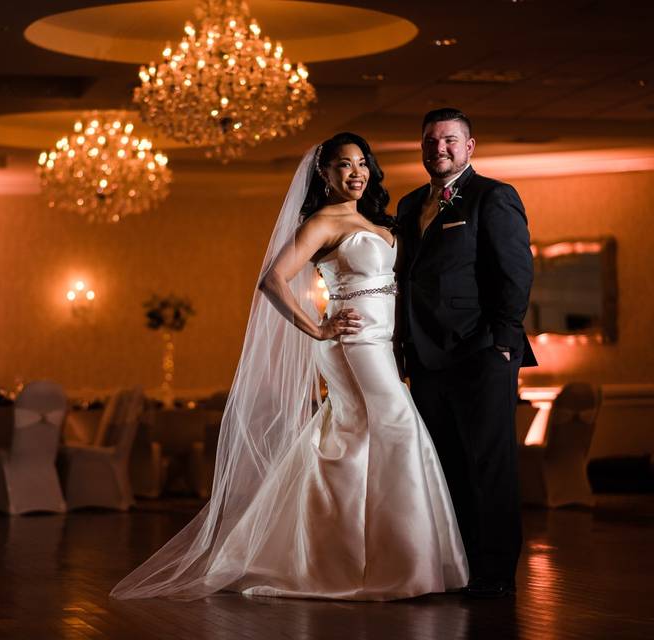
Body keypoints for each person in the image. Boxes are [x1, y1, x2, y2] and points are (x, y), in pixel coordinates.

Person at [111, 133, 468, 601]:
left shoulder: (372, 219)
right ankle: (398, 566)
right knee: (397, 429)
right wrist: (317, 329)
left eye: (362, 163)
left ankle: (345, 556)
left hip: (381, 343)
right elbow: (273, 280)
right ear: (324, 174)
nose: (355, 173)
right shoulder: (322, 221)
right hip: (351, 343)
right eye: (342, 165)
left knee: (357, 443)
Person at [394, 108, 537, 598]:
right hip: (427, 360)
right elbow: (406, 278)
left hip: (481, 355)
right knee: (446, 465)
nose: (440, 149)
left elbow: (515, 274)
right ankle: (460, 566)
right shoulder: (410, 203)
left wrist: (502, 342)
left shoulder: (493, 197)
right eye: (431, 141)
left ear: (470, 146)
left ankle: (495, 573)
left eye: (450, 140)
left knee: (489, 466)